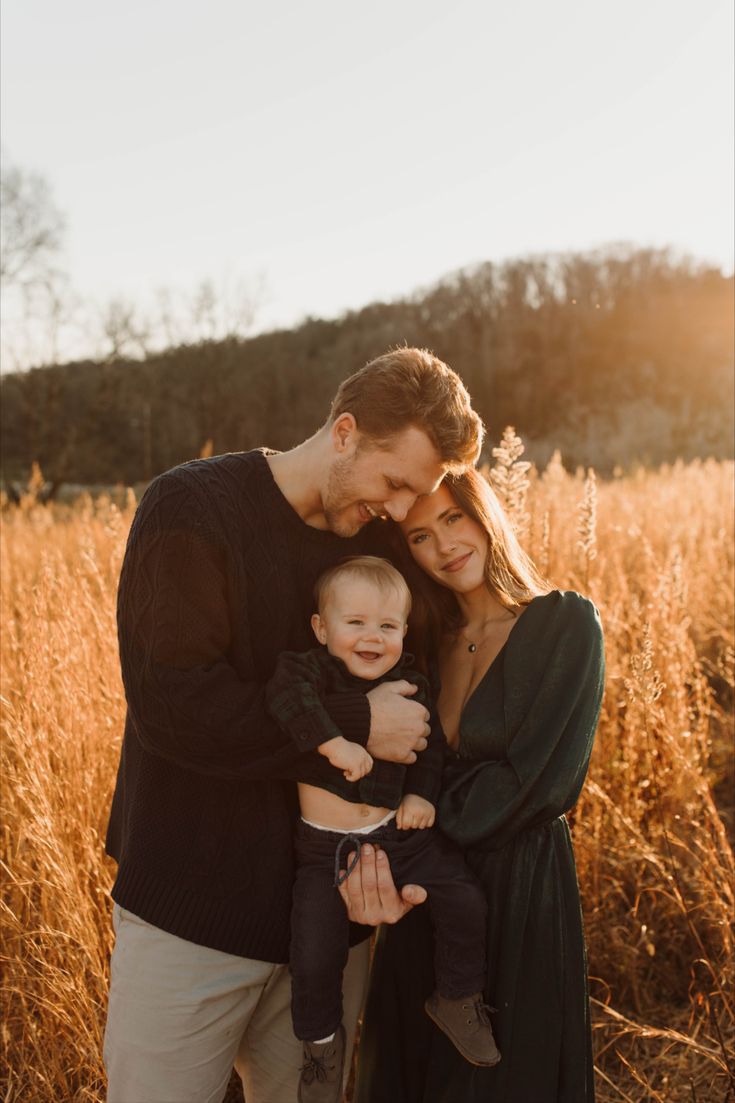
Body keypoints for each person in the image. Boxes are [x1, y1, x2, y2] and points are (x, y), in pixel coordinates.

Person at [102, 347, 484, 1103]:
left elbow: (416, 703)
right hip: (190, 922)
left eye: (420, 493)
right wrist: (353, 721)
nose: (404, 510)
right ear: (344, 431)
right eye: (396, 482)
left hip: (330, 925)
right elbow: (173, 706)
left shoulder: (379, 547)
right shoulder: (191, 506)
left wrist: (389, 858)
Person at [351, 467, 605, 1103]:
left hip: (520, 885)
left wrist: (419, 817)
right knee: (415, 1069)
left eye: (452, 519)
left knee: (506, 1077)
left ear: (483, 513)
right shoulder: (420, 642)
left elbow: (540, 782)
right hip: (424, 889)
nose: (443, 547)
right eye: (418, 538)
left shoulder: (564, 625)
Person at [266, 556, 499, 1103]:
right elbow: (284, 699)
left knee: (464, 898)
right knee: (316, 953)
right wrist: (338, 739)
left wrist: (419, 793)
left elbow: (429, 749)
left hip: (401, 839)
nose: (373, 637)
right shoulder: (309, 672)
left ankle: (458, 996)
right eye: (356, 623)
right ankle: (321, 1047)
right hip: (326, 853)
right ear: (322, 629)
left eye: (388, 626)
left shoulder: (409, 681)